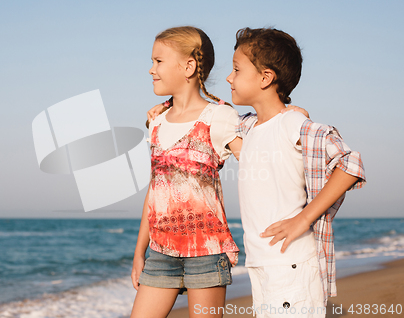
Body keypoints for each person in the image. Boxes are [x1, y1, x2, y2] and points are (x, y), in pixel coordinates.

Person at [228, 27, 366, 318]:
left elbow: (350, 164)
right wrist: (163, 109)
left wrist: (303, 219)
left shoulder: (291, 124)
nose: (230, 77)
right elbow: (213, 117)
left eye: (237, 69)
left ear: (266, 78)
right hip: (263, 263)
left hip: (289, 264)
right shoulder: (249, 127)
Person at [130, 26, 241, 318]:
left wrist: (286, 116)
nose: (151, 69)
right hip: (160, 253)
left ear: (189, 66)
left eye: (158, 61)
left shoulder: (220, 117)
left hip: (207, 253)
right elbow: (156, 192)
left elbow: (261, 164)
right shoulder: (156, 122)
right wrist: (139, 252)